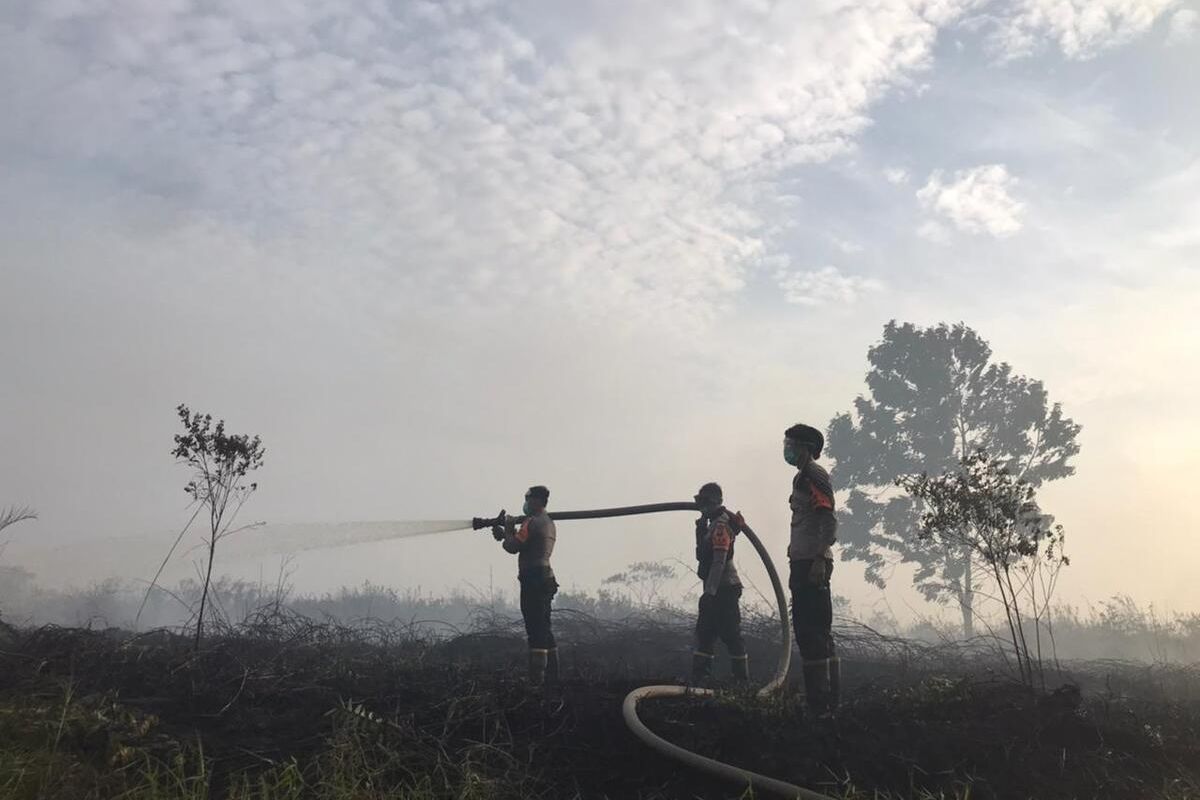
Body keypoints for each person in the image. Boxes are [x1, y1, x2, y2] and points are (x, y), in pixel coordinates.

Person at [784, 423, 840, 715]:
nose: (787, 449)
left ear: (805, 447)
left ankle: (821, 705)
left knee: (811, 632)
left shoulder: (813, 475)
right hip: (803, 559)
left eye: (791, 444)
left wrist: (818, 557)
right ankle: (827, 702)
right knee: (817, 632)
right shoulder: (801, 477)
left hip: (812, 563)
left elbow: (827, 518)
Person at [494, 485, 558, 686]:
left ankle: (536, 680)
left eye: (528, 499)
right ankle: (552, 677)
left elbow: (513, 546)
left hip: (533, 579)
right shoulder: (548, 522)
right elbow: (517, 541)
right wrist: (506, 532)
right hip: (546, 577)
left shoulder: (532, 522)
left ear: (537, 501)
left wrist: (509, 530)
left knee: (535, 627)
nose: (526, 503)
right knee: (545, 627)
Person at [691, 482, 749, 684]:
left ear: (716, 502)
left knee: (730, 633)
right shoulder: (711, 525)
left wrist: (710, 593)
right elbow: (702, 556)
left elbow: (718, 562)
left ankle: (741, 680)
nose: (702, 507)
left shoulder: (721, 525)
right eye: (700, 502)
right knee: (705, 631)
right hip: (714, 587)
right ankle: (700, 678)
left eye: (705, 502)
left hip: (725, 589)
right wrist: (699, 532)